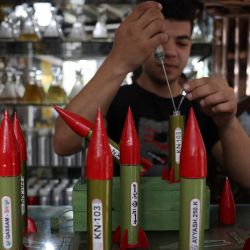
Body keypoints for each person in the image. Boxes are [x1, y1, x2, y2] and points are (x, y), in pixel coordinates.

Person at [54, 0, 250, 189]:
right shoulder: (115, 101)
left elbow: (247, 177)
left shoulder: (202, 105)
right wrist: (118, 60)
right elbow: (64, 143)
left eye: (182, 43)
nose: (171, 52)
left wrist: (227, 122)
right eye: (160, 43)